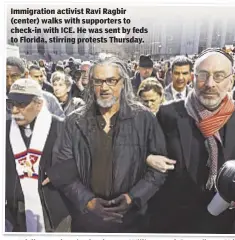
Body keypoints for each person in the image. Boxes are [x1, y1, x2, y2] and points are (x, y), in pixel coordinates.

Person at [46, 56, 167, 233]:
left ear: (123, 83)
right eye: (98, 81)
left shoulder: (144, 119)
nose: (104, 88)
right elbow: (62, 170)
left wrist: (133, 198)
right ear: (91, 84)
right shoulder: (74, 122)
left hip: (133, 221)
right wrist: (88, 202)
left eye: (111, 81)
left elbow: (159, 170)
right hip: (87, 221)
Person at [147, 48, 235, 233]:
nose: (210, 84)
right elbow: (148, 151)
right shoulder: (169, 113)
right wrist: (148, 158)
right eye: (203, 75)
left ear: (231, 80)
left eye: (219, 76)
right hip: (175, 218)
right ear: (193, 78)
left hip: (224, 221)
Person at [5, 79, 70, 232]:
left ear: (39, 104)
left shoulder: (61, 127)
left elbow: (80, 163)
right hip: (16, 212)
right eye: (11, 104)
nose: (14, 110)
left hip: (54, 212)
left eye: (21, 105)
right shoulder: (4, 130)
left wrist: (60, 174)